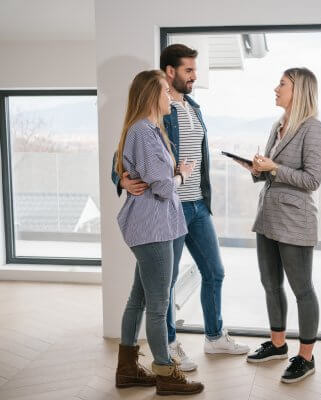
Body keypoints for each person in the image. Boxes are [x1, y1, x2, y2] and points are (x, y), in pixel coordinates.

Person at [111, 44, 249, 371]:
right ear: (170, 72)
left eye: (195, 70)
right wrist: (122, 180)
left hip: (195, 205)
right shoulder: (154, 114)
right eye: (188, 70)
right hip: (166, 208)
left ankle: (214, 337)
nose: (194, 76)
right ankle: (169, 347)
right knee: (163, 286)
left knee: (213, 271)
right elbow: (122, 158)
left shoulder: (193, 107)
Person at [114, 69, 204, 396]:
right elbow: (163, 187)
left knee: (139, 298)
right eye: (167, 91)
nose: (171, 97)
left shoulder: (148, 130)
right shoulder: (143, 130)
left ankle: (126, 370)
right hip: (153, 228)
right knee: (158, 304)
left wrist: (169, 174)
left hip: (151, 226)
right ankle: (166, 375)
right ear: (153, 95)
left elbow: (140, 173)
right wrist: (180, 175)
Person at [237, 68, 321, 383]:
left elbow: (312, 180)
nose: (276, 88)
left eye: (282, 84)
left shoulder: (313, 129)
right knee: (270, 283)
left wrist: (274, 167)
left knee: (302, 289)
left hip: (295, 220)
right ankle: (277, 346)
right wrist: (256, 168)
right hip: (268, 218)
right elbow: (270, 174)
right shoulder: (278, 125)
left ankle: (306, 357)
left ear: (298, 90)